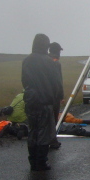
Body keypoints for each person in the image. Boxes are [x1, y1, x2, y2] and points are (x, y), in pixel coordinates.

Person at [21, 33, 64, 171]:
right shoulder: (49, 62)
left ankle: (32, 161)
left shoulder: (26, 61)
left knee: (32, 131)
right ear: (46, 45)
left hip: (31, 101)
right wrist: (54, 97)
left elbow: (24, 81)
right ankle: (41, 162)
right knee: (44, 132)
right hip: (45, 102)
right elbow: (56, 83)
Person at [48, 42, 64, 150]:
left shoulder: (43, 61)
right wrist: (61, 96)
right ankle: (52, 141)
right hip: (54, 96)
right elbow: (58, 82)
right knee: (53, 118)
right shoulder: (56, 63)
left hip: (43, 95)